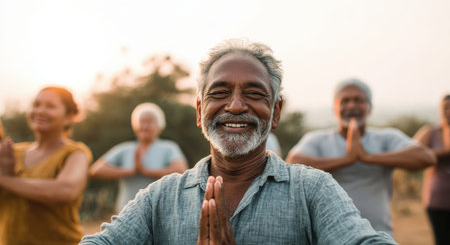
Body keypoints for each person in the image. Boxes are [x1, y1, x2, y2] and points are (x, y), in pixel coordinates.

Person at [80, 39, 397, 244]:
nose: (235, 106)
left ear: (276, 113)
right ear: (200, 110)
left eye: (254, 94)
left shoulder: (313, 190)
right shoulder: (160, 198)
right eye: (219, 93)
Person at [286, 78, 436, 236]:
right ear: (334, 108)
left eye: (358, 100)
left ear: (369, 107)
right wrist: (346, 159)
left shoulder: (386, 137)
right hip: (328, 236)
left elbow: (426, 157)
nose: (351, 105)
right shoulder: (317, 139)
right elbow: (293, 163)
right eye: (345, 101)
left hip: (377, 235)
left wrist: (367, 157)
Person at [0, 86, 92, 245]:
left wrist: (5, 179)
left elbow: (65, 190)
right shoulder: (11, 152)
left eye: (50, 106)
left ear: (69, 117)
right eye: (36, 104)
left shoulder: (75, 153)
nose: (40, 111)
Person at [89, 102, 188, 212]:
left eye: (149, 122)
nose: (145, 126)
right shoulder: (125, 148)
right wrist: (129, 172)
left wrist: (145, 171)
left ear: (159, 125)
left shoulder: (169, 147)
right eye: (141, 122)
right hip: (126, 212)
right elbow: (95, 170)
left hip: (160, 212)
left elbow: (181, 170)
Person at [413, 94, 450, 245]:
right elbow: (411, 153)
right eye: (445, 107)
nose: (449, 111)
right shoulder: (430, 132)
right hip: (437, 201)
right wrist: (445, 151)